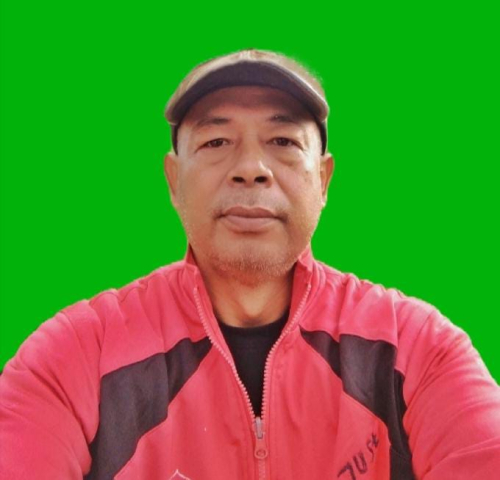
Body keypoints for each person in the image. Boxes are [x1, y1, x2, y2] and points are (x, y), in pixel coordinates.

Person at [0, 49, 499, 480]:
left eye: (283, 142)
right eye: (216, 142)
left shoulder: (417, 350)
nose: (250, 169)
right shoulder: (72, 359)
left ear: (324, 180)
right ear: (173, 181)